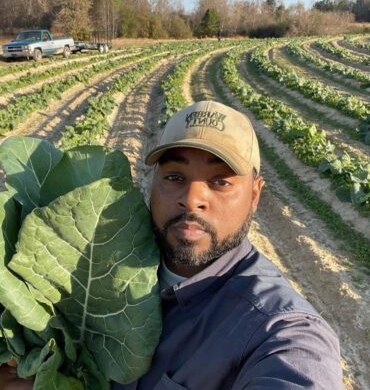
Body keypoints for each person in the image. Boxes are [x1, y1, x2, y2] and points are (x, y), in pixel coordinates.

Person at [0, 100, 344, 389]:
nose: (192, 198)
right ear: (151, 182)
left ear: (255, 195)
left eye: (220, 181)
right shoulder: (91, 255)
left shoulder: (279, 332)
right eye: (175, 177)